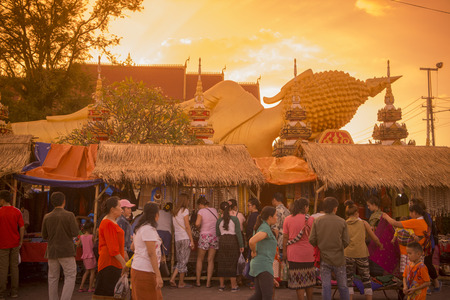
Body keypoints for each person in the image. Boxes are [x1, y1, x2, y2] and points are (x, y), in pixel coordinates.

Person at [309, 197, 350, 300]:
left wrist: (320, 245)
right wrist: (338, 247)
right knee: (343, 286)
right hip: (339, 259)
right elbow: (346, 241)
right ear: (335, 208)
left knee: (326, 286)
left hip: (324, 258)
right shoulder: (342, 221)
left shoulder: (317, 221)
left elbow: (312, 240)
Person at [41, 192, 79, 300]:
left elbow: (44, 235)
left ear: (52, 202)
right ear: (64, 201)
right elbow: (75, 232)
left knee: (52, 277)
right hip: (66, 250)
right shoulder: (69, 215)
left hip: (52, 250)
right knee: (70, 276)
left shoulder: (47, 216)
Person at [344, 200, 383, 300]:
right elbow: (374, 237)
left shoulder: (343, 224)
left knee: (348, 279)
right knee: (366, 278)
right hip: (361, 253)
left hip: (347, 253)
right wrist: (380, 245)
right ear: (357, 213)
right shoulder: (364, 223)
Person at [282, 198, 315, 300]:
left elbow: (285, 238)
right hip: (309, 253)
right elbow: (315, 237)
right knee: (309, 279)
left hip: (293, 254)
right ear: (305, 207)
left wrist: (284, 252)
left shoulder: (288, 219)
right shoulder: (311, 219)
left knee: (298, 280)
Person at [94, 196, 127, 297]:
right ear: (112, 209)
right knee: (108, 293)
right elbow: (113, 249)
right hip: (109, 263)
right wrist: (124, 264)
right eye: (120, 207)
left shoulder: (111, 221)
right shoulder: (108, 223)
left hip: (113, 262)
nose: (122, 210)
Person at [382, 203, 429, 273]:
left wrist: (386, 216)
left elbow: (395, 223)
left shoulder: (415, 222)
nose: (410, 215)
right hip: (418, 253)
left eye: (410, 212)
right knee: (416, 274)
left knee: (408, 274)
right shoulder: (424, 222)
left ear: (414, 212)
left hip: (410, 254)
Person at [131, 202, 163, 300]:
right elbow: (151, 253)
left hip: (142, 269)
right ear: (156, 215)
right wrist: (158, 275)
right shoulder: (148, 229)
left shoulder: (141, 227)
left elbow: (133, 247)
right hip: (145, 271)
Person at [409, 199, 441, 293]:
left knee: (426, 264)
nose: (411, 207)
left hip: (428, 245)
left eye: (412, 205)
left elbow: (427, 231)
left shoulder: (425, 217)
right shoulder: (421, 217)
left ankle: (432, 284)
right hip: (424, 244)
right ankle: (431, 284)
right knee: (424, 264)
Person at [248, 206, 279, 300]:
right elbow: (252, 241)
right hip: (263, 266)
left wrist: (271, 278)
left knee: (259, 295)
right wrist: (253, 251)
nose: (277, 217)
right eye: (276, 215)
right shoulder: (265, 228)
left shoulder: (262, 226)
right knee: (267, 296)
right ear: (270, 217)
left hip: (261, 266)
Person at [0, 190, 24, 300]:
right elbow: (22, 227)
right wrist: (21, 241)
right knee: (14, 267)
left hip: (2, 244)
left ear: (2, 200)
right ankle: (14, 292)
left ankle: (1, 293)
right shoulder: (17, 211)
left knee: (3, 268)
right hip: (15, 243)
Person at [216, 201, 244, 292]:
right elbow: (238, 233)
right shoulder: (235, 219)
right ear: (230, 209)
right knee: (232, 262)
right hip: (233, 241)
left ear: (221, 210)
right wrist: (241, 245)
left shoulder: (219, 220)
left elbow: (218, 233)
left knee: (222, 262)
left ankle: (221, 285)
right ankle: (233, 286)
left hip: (222, 241)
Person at [170, 193, 195, 288]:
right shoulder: (185, 211)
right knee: (184, 261)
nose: (189, 202)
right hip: (185, 238)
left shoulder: (174, 212)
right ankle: (181, 282)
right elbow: (187, 226)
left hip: (177, 238)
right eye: (188, 200)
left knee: (180, 260)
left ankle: (173, 278)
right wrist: (191, 240)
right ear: (185, 201)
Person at [195, 196, 218, 288]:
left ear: (200, 204)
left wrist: (198, 227)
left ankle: (198, 281)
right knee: (210, 260)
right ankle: (208, 282)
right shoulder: (214, 210)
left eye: (198, 206)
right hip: (214, 236)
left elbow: (197, 223)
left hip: (204, 236)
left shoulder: (201, 211)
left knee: (200, 259)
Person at [78, 221, 96, 293]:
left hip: (84, 256)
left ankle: (81, 287)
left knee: (86, 271)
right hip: (91, 256)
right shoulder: (92, 237)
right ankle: (90, 288)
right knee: (92, 272)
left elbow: (78, 244)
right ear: (91, 228)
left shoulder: (81, 237)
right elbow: (95, 245)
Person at [271, 192, 290, 259]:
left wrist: (274, 244)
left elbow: (275, 229)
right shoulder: (287, 211)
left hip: (279, 241)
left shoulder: (276, 211)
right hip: (286, 240)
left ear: (274, 199)